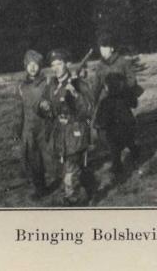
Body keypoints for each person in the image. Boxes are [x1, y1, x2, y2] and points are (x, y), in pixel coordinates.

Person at [38, 49, 93, 205]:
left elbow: (88, 109)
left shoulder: (78, 83)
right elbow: (45, 107)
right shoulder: (51, 86)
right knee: (65, 169)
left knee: (70, 170)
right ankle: (81, 191)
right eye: (53, 65)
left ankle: (73, 200)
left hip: (75, 131)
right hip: (59, 133)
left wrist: (75, 95)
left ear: (67, 64)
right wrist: (44, 106)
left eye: (59, 63)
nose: (56, 67)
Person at [90, 33, 141, 177]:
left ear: (111, 48)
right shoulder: (100, 66)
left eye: (105, 47)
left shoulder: (123, 62)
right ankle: (117, 166)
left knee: (127, 132)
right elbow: (96, 86)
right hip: (108, 106)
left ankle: (134, 151)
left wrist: (120, 86)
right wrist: (92, 102)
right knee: (111, 136)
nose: (102, 50)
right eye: (101, 47)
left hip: (121, 103)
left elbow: (132, 80)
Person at [13, 49, 53, 199]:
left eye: (35, 64)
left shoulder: (47, 82)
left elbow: (53, 103)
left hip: (45, 126)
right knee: (33, 159)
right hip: (29, 129)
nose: (32, 67)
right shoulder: (21, 87)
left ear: (40, 65)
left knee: (50, 158)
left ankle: (68, 183)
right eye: (29, 64)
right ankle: (40, 188)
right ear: (25, 66)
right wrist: (18, 129)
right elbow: (19, 110)